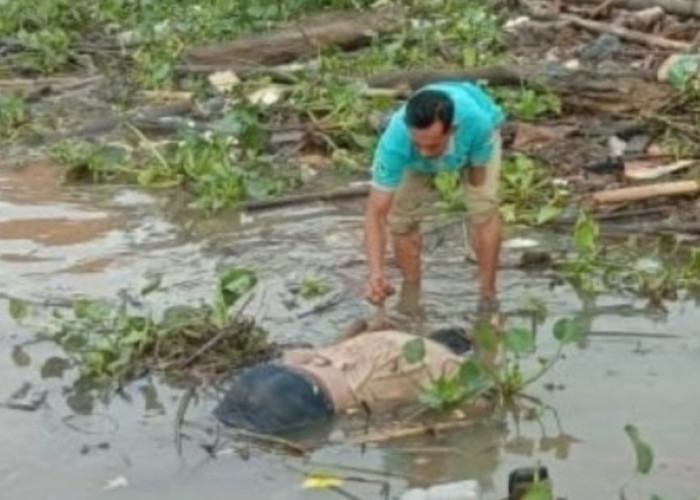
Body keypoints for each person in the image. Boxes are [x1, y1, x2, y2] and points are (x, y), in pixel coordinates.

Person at [364, 81, 505, 317]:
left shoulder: (477, 124)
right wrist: (376, 273)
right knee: (400, 220)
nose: (425, 153)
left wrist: (470, 171)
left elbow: (478, 179)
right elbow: (375, 214)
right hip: (411, 161)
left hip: (473, 145)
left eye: (432, 145)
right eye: (418, 144)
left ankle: (487, 294)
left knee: (484, 210)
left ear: (452, 130)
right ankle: (411, 292)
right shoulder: (395, 142)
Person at [213, 325, 473, 435]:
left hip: (269, 375)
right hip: (305, 396)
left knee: (226, 428)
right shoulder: (442, 361)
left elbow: (298, 355)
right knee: (263, 442)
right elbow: (477, 400)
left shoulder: (383, 336)